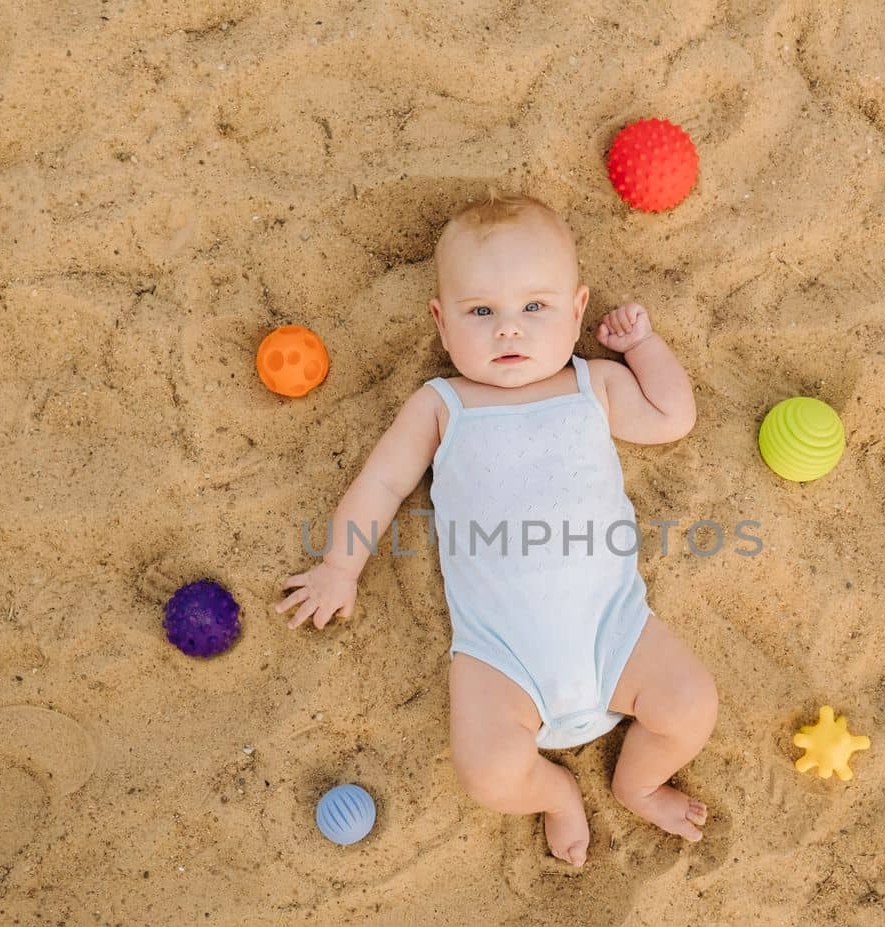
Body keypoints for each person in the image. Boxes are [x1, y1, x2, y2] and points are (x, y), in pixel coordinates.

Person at [273, 191, 718, 867]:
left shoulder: (590, 385)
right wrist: (340, 565)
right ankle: (555, 792)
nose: (508, 329)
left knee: (690, 702)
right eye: (481, 311)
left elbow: (669, 415)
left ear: (576, 313)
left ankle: (638, 781)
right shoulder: (442, 404)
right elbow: (382, 483)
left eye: (534, 307)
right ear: (442, 322)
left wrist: (643, 346)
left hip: (617, 632)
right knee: (486, 772)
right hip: (500, 658)